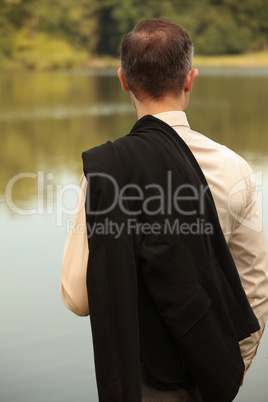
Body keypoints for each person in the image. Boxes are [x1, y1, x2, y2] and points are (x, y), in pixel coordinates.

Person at [60, 19, 268, 401]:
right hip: (214, 374)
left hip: (142, 384)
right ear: (190, 79)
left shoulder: (108, 170)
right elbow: (255, 285)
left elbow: (78, 297)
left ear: (123, 80)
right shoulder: (234, 169)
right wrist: (226, 372)